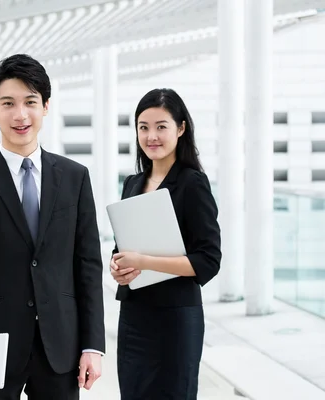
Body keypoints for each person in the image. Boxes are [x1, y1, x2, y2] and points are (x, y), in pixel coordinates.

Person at [0, 54, 106, 400]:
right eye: (8, 103)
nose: (20, 115)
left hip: (60, 345)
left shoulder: (75, 177)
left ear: (45, 106)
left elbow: (88, 265)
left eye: (30, 102)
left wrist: (93, 345)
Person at [110, 88, 221, 399]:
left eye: (161, 127)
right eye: (143, 127)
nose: (151, 136)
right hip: (135, 317)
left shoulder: (192, 184)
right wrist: (118, 265)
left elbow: (208, 260)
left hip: (175, 320)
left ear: (181, 129)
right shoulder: (133, 183)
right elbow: (123, 245)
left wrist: (144, 262)